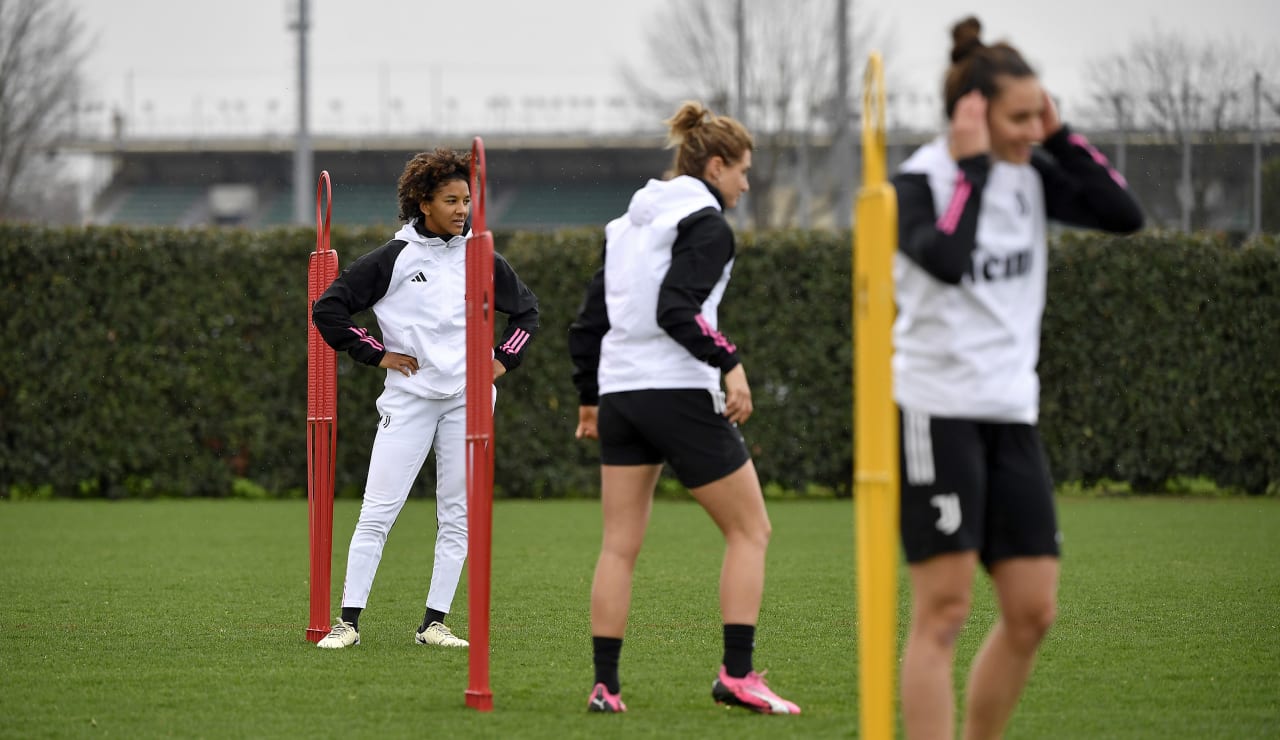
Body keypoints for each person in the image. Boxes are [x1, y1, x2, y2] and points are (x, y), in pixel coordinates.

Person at [891, 16, 1143, 740]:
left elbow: (1123, 215)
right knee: (943, 613)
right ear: (973, 112)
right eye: (1020, 116)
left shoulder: (1034, 172)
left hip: (1011, 411)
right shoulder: (919, 180)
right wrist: (971, 170)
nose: (1033, 129)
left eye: (1042, 112)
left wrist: (1061, 139)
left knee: (1033, 612)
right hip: (936, 411)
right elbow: (944, 258)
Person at [568, 101, 799, 715]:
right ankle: (738, 675)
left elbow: (589, 322)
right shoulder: (708, 225)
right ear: (716, 165)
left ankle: (604, 686)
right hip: (676, 391)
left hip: (620, 397)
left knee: (619, 546)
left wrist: (589, 401)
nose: (746, 185)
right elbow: (678, 310)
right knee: (751, 531)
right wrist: (731, 362)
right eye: (743, 171)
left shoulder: (625, 226)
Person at [311, 148, 539, 650]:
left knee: (457, 514)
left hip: (469, 401)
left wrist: (502, 360)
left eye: (466, 200)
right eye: (451, 200)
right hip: (409, 400)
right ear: (422, 202)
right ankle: (347, 622)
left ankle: (434, 622)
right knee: (379, 509)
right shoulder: (392, 258)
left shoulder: (481, 255)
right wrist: (377, 355)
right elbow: (328, 310)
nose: (462, 209)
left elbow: (526, 313)